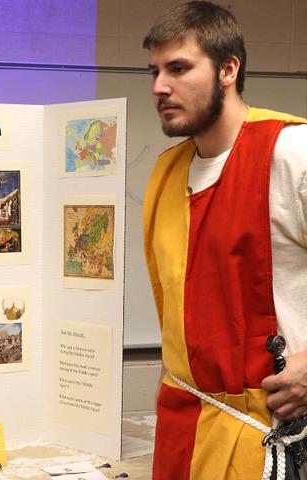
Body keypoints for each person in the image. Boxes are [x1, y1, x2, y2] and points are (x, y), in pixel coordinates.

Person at [142, 2, 307, 479]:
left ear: (228, 69)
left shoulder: (289, 153)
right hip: (187, 427)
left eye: (178, 68)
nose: (159, 87)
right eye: (153, 71)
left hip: (272, 439)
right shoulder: (167, 173)